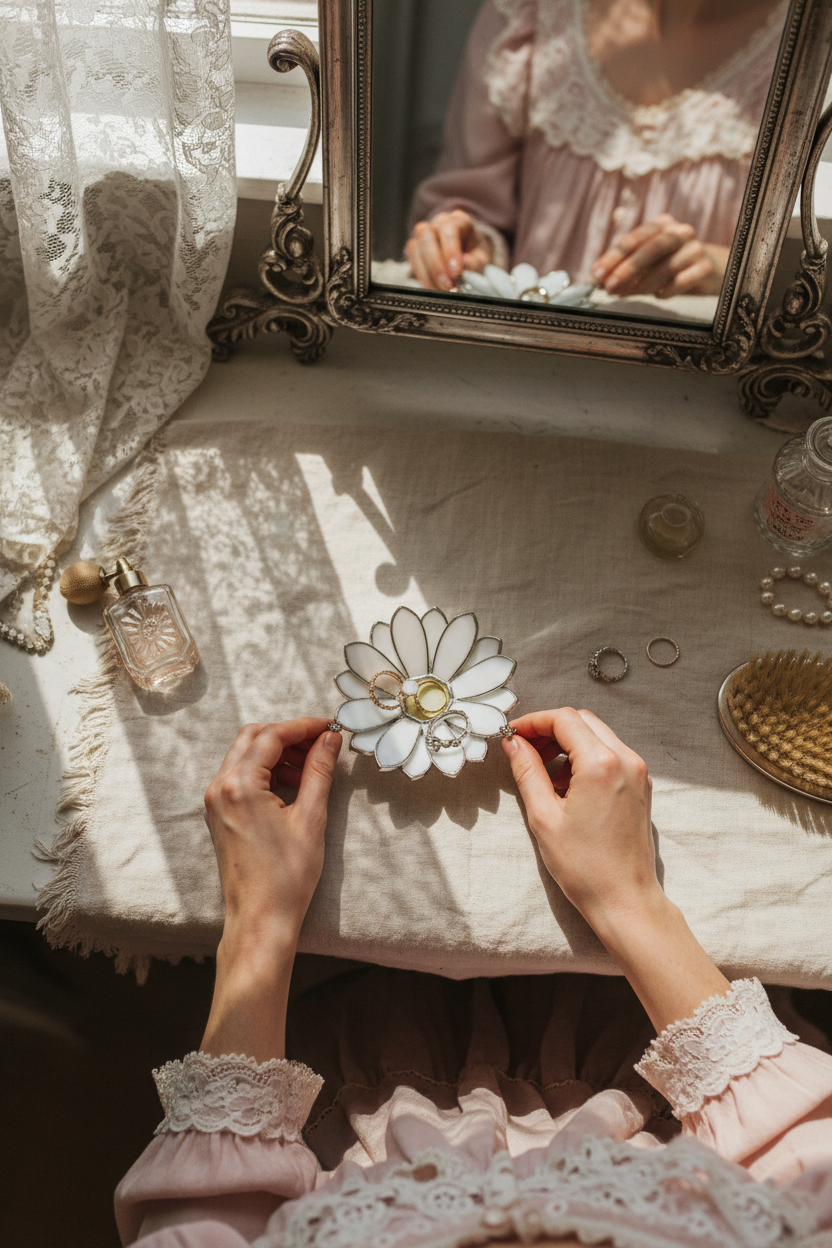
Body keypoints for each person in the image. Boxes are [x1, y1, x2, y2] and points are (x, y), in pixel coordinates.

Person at [114, 708, 832, 1248]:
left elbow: (210, 1208)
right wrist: (630, 901)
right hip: (660, 1058)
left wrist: (260, 924)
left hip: (335, 1057)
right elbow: (809, 1147)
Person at [405, 0, 786, 299]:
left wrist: (729, 271)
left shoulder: (802, 51)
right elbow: (471, 202)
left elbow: (808, 271)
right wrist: (467, 247)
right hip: (516, 364)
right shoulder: (530, 12)